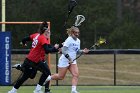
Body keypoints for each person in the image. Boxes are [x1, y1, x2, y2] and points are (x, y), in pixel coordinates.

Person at [8, 21, 62, 93]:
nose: (49, 32)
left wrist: (24, 43)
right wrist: (55, 48)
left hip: (29, 59)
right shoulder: (43, 38)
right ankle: (37, 90)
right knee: (47, 73)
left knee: (26, 76)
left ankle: (13, 91)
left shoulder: (36, 35)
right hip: (35, 60)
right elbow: (47, 50)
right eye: (48, 30)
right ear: (45, 30)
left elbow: (24, 39)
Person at [44, 26, 89, 93]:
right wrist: (69, 58)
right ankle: (48, 78)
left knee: (76, 74)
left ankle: (73, 90)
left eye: (78, 33)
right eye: (75, 33)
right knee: (60, 77)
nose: (77, 34)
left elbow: (77, 51)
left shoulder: (78, 41)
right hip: (65, 60)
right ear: (72, 33)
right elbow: (64, 51)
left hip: (72, 61)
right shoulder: (69, 40)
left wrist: (83, 51)